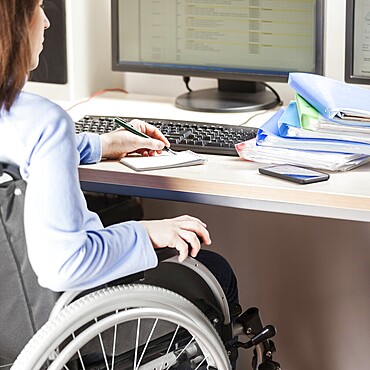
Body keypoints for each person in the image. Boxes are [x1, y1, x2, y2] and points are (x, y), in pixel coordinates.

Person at [0, 0, 237, 304]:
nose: (46, 22)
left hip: (10, 326)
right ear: (14, 24)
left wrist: (105, 144)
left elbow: (28, 145)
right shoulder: (46, 122)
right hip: (69, 324)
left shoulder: (23, 120)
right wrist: (148, 233)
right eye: (38, 8)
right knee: (216, 271)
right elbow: (64, 266)